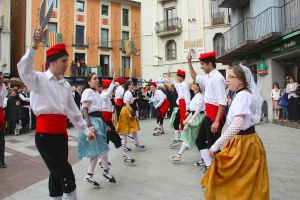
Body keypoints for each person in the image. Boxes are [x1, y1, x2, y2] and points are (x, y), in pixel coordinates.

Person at [17, 28, 95, 200]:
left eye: (67, 60)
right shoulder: (38, 79)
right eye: (63, 60)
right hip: (45, 137)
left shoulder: (66, 85)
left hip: (61, 136)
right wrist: (34, 45)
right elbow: (23, 70)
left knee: (56, 174)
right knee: (66, 173)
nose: (67, 64)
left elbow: (74, 113)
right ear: (52, 62)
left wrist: (87, 131)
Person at [201, 64, 269, 199]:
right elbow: (254, 118)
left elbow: (237, 125)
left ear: (241, 81)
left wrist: (215, 145)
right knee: (244, 181)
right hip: (247, 141)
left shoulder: (243, 95)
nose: (227, 80)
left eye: (231, 77)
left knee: (237, 180)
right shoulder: (243, 95)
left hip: (243, 143)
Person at [188, 52, 227, 170]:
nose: (201, 67)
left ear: (210, 64)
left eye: (202, 64)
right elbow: (195, 77)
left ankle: (222, 171)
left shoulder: (217, 78)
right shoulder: (209, 76)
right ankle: (210, 167)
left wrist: (216, 121)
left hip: (215, 115)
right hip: (209, 114)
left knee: (213, 147)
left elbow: (222, 102)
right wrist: (189, 62)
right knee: (200, 141)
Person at [78, 73, 116, 187]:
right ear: (89, 81)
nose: (97, 80)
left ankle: (90, 175)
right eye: (94, 79)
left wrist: (105, 124)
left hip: (98, 122)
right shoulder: (88, 92)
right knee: (103, 150)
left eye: (98, 78)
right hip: (93, 123)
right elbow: (84, 110)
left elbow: (99, 112)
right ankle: (105, 172)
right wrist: (89, 125)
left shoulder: (96, 92)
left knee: (98, 151)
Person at [100, 79, 135, 164]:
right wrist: (113, 83)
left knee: (109, 141)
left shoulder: (107, 96)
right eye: (113, 88)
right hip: (105, 122)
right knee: (112, 140)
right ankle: (123, 157)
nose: (115, 90)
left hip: (107, 121)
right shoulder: (103, 95)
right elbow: (107, 95)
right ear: (108, 87)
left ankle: (102, 160)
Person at [171, 82, 204, 161]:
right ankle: (179, 155)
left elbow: (198, 110)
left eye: (194, 84)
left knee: (195, 139)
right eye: (192, 84)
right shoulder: (196, 96)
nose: (192, 85)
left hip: (198, 118)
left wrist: (190, 120)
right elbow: (193, 111)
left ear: (198, 87)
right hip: (195, 117)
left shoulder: (199, 96)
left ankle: (205, 158)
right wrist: (187, 119)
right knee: (188, 136)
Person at [116, 80, 145, 152]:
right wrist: (132, 112)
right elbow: (127, 103)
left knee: (133, 128)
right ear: (129, 85)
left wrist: (134, 99)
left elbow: (129, 101)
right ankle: (124, 145)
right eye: (132, 84)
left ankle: (136, 143)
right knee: (126, 129)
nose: (133, 86)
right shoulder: (128, 93)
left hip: (127, 110)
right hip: (127, 111)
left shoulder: (128, 92)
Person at [168, 69, 191, 148]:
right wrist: (170, 76)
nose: (177, 78)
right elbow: (175, 83)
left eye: (178, 77)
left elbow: (187, 96)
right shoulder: (180, 84)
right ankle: (177, 140)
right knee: (176, 122)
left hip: (184, 105)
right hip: (180, 105)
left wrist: (187, 108)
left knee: (183, 123)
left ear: (181, 77)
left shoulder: (185, 84)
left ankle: (185, 142)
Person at [0, 73, 8, 168]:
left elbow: (4, 97)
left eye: (2, 78)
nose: (2, 79)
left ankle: (1, 159)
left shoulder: (4, 87)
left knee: (1, 139)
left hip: (0, 112)